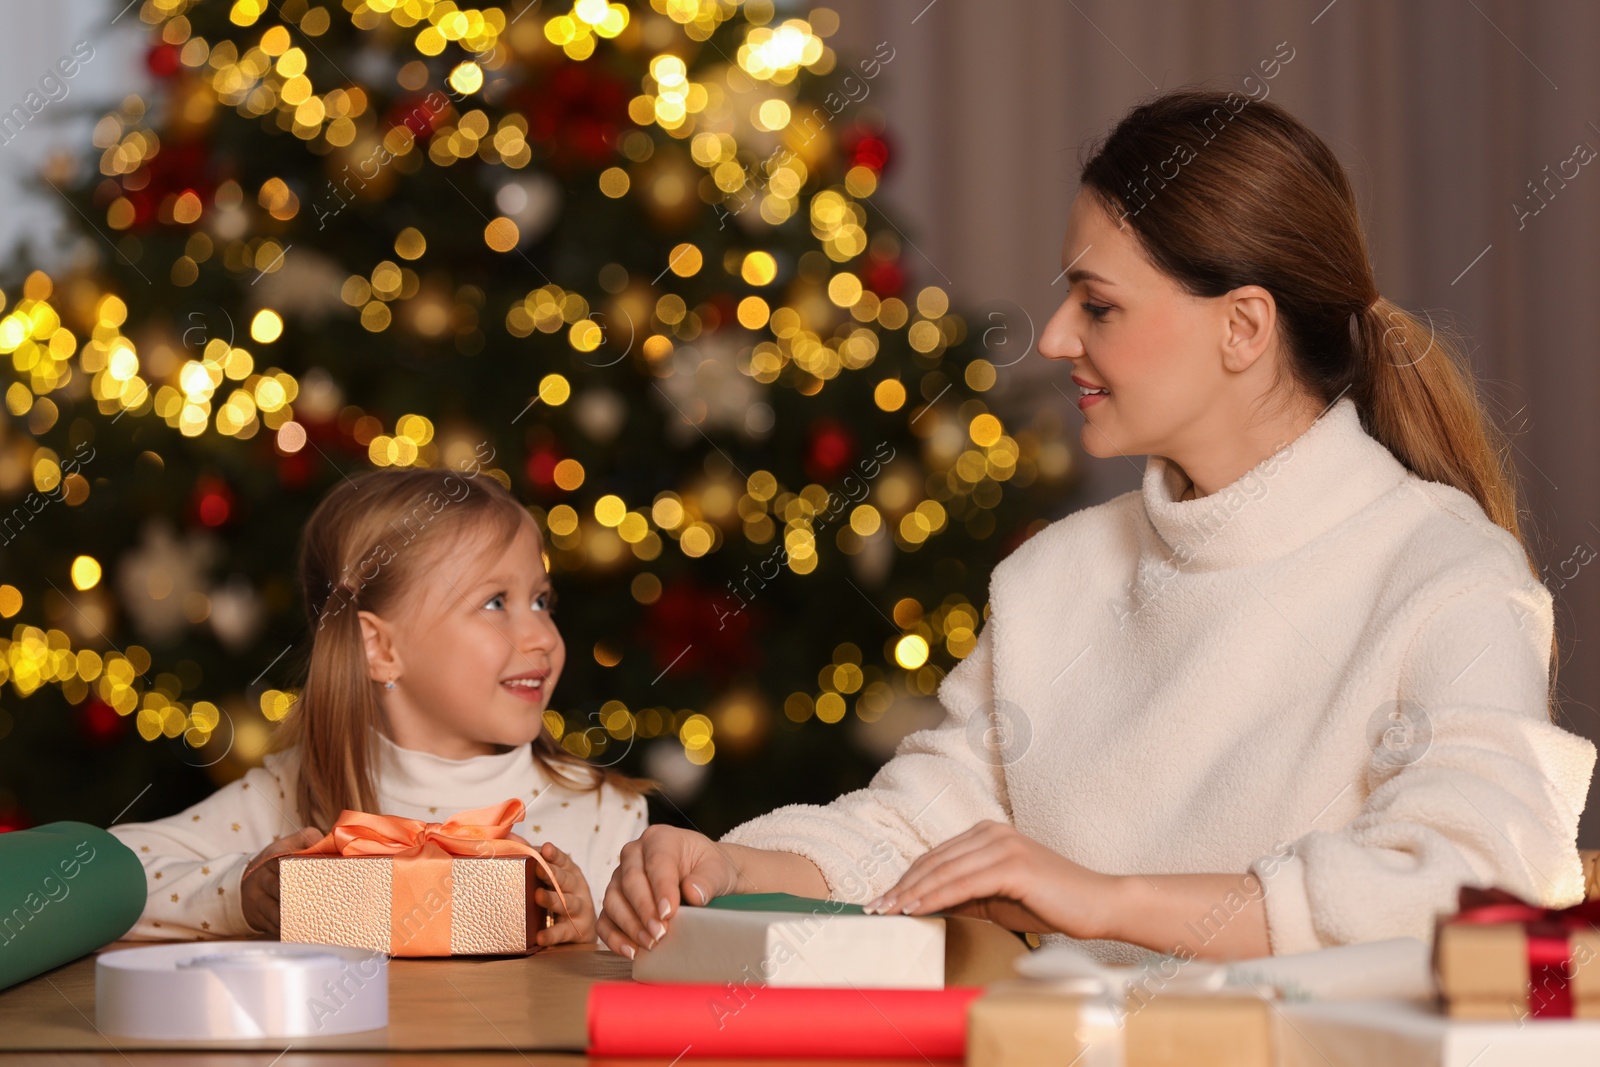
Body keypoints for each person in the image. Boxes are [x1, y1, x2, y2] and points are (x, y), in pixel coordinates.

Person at [596, 87, 1596, 964]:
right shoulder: (1060, 576)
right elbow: (920, 823)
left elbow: (1473, 883)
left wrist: (1108, 898)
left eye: (1098, 304)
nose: (1054, 337)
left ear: (1242, 327)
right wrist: (730, 862)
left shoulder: (1447, 573)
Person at [110, 466, 653, 945]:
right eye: (495, 602)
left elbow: (655, 981)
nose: (542, 636)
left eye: (541, 600)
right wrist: (239, 897)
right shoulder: (293, 795)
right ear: (381, 648)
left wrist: (589, 936)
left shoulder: (604, 817)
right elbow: (103, 876)